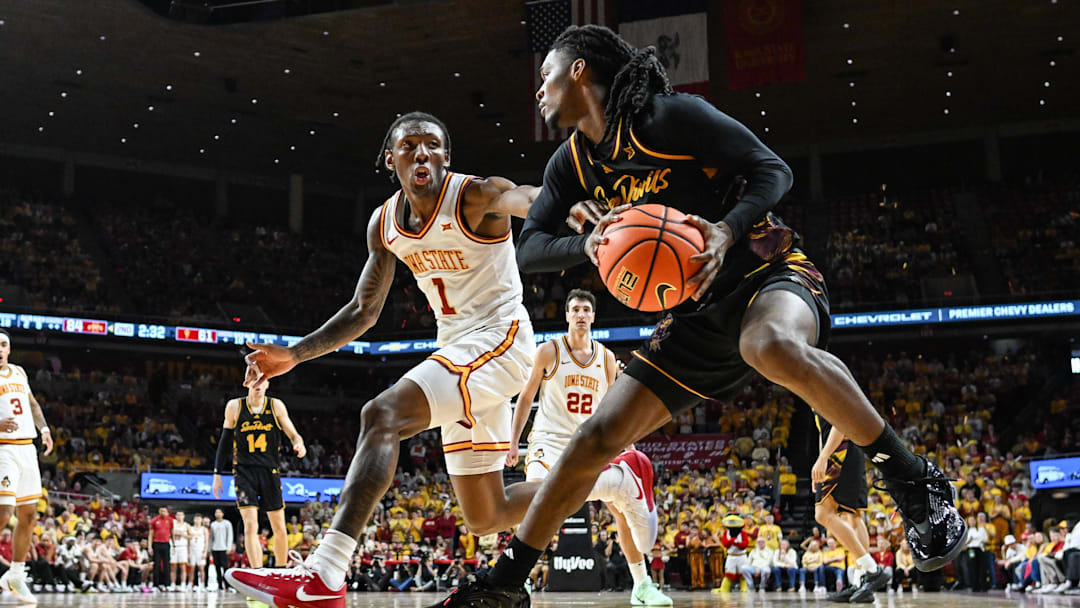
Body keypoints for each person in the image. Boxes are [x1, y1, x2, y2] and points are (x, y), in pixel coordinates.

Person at [435, 23, 966, 607]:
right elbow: (529, 243)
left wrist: (725, 227)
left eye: (546, 74)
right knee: (592, 440)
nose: (539, 89)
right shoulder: (573, 165)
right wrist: (582, 245)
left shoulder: (669, 118)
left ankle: (914, 481)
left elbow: (774, 170)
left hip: (767, 272)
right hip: (695, 315)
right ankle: (505, 587)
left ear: (580, 70)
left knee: (768, 347)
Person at [226, 111, 547, 608]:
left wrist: (571, 210)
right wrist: (294, 354)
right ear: (390, 159)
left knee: (382, 414)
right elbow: (363, 310)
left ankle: (326, 574)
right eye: (409, 145)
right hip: (461, 349)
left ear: (446, 157)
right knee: (488, 514)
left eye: (433, 145)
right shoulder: (385, 224)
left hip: (502, 340)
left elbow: (526, 197)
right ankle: (611, 477)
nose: (422, 153)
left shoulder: (475, 195)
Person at [507, 288, 669, 605]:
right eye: (575, 309)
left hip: (590, 445)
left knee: (621, 508)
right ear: (567, 315)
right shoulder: (549, 351)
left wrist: (629, 449)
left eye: (586, 309)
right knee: (533, 502)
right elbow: (526, 398)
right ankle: (520, 580)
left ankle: (642, 585)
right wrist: (515, 443)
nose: (581, 314)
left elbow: (615, 409)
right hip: (549, 442)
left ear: (592, 316)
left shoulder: (606, 358)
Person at [213, 381, 306, 570]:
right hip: (244, 471)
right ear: (247, 383)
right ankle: (258, 573)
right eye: (254, 381)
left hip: (269, 470)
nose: (258, 385)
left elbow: (294, 434)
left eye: (262, 381)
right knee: (250, 525)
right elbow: (225, 441)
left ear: (267, 384)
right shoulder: (235, 406)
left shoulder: (275, 406)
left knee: (279, 526)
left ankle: (280, 572)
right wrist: (217, 473)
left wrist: (299, 443)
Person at [0, 330, 55, 604]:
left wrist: (44, 429)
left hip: (27, 449)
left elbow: (31, 403)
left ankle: (15, 575)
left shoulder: (20, 372)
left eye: (3, 345)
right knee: (4, 511)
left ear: (9, 349)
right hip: (3, 449)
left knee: (29, 515)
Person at [812, 417, 889, 602]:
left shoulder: (823, 387)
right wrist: (819, 461)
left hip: (841, 450)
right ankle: (860, 584)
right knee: (852, 516)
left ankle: (871, 569)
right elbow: (824, 431)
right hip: (843, 450)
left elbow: (840, 421)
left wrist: (823, 458)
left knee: (824, 514)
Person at [148, 507, 173, 590]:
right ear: (159, 511)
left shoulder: (170, 520)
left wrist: (174, 544)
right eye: (161, 511)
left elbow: (172, 532)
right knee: (157, 565)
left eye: (165, 511)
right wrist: (149, 546)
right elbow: (151, 534)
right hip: (157, 543)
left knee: (167, 565)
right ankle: (156, 584)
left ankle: (167, 584)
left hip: (166, 543)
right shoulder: (155, 520)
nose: (163, 512)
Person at [209, 509, 233, 591]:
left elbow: (230, 535)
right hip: (215, 548)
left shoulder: (227, 523)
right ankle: (220, 586)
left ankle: (227, 586)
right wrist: (210, 549)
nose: (218, 514)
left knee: (225, 567)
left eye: (219, 512)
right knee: (217, 568)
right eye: (216, 512)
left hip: (224, 549)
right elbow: (211, 538)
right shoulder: (213, 524)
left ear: (222, 513)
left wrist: (229, 547)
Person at [170, 510, 191, 590]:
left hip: (182, 547)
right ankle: (173, 584)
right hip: (174, 546)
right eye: (178, 515)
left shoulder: (186, 525)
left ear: (183, 516)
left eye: (181, 515)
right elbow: (169, 533)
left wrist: (183, 534)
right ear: (175, 516)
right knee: (173, 567)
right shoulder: (172, 524)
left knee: (182, 566)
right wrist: (174, 533)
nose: (179, 516)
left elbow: (191, 536)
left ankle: (183, 584)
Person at [188, 514, 209, 590]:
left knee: (201, 568)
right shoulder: (190, 528)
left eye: (199, 519)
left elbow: (206, 542)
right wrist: (188, 553)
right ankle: (190, 584)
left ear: (201, 520)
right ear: (194, 520)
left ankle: (202, 585)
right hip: (192, 550)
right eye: (196, 519)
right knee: (192, 569)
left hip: (200, 550)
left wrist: (205, 552)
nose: (197, 520)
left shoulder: (204, 529)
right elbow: (188, 541)